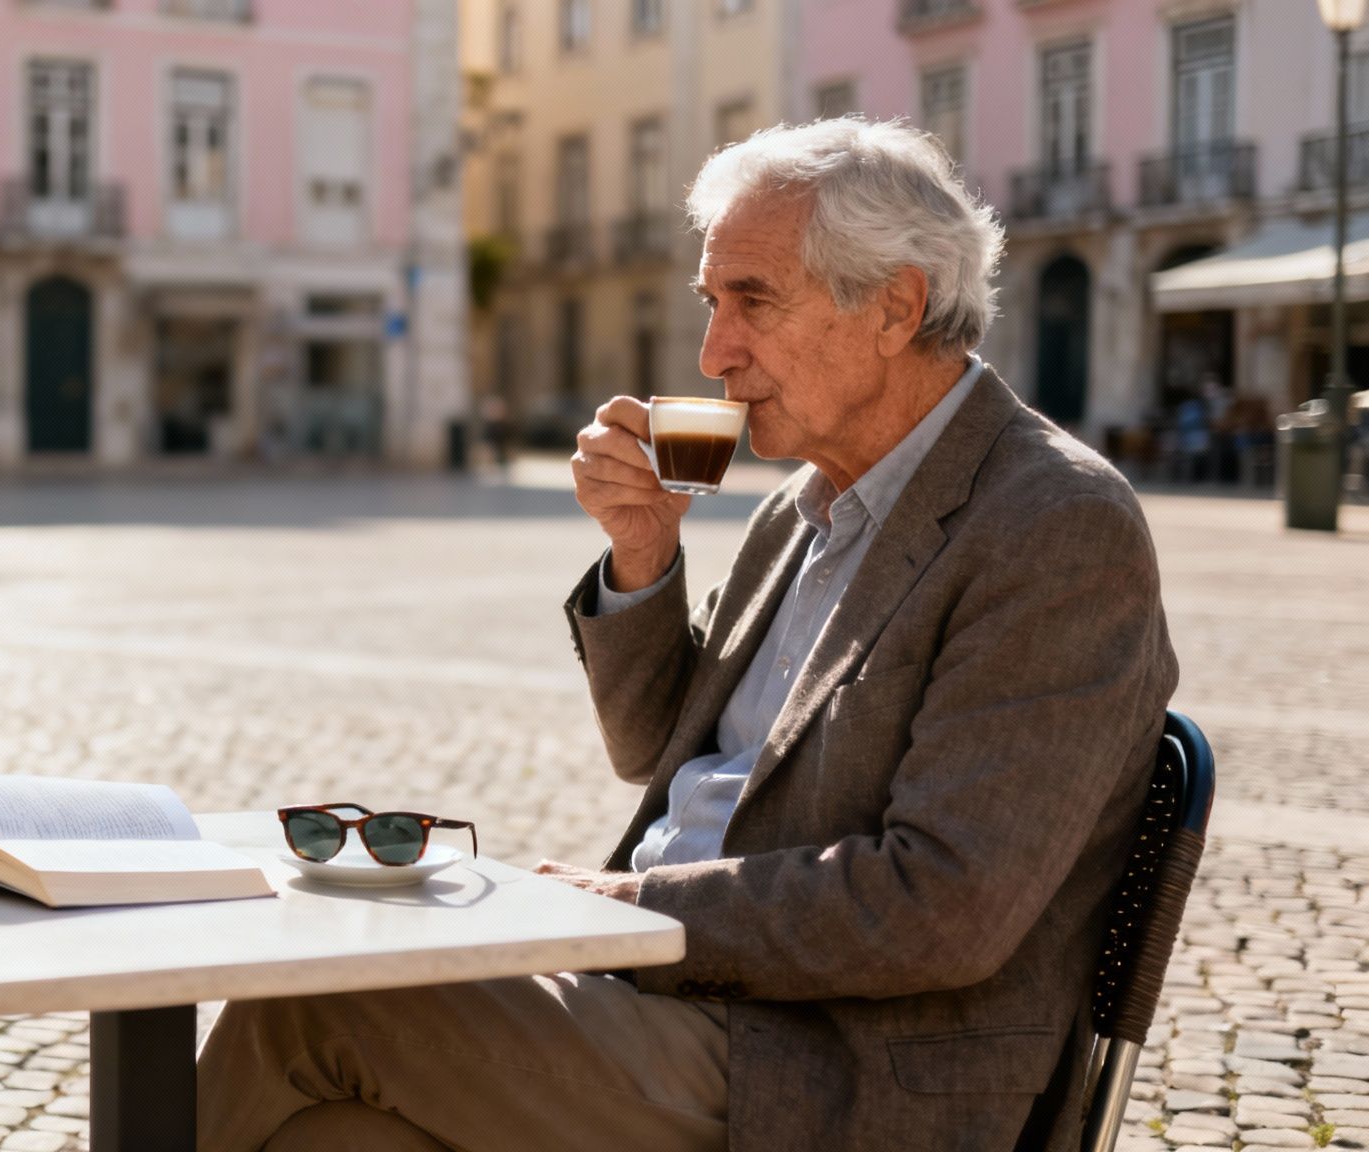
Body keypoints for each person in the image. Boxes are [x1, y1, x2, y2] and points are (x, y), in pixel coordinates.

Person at [196, 118, 1178, 1152]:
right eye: (711, 304)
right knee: (334, 1135)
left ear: (893, 306)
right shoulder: (799, 506)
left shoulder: (1051, 524)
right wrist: (640, 554)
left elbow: (941, 902)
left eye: (752, 301)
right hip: (678, 1004)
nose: (713, 352)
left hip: (835, 1066)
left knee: (310, 1003)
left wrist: (628, 904)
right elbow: (654, 754)